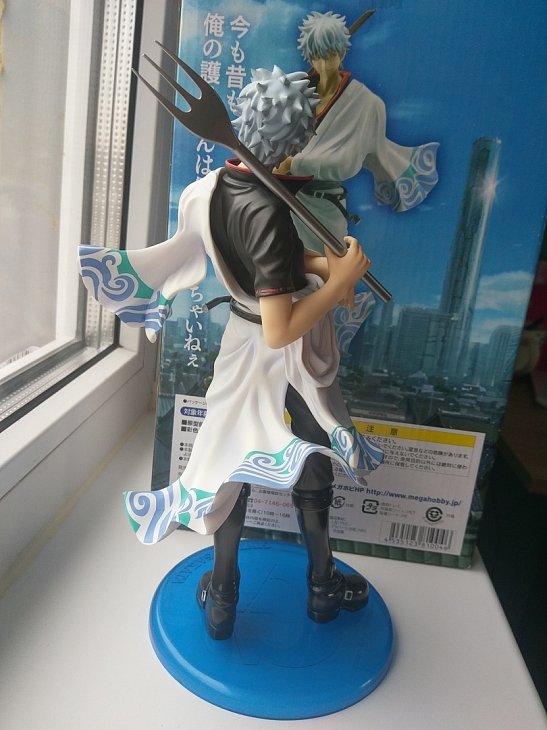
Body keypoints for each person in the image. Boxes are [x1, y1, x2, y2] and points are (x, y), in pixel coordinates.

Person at [79, 66, 383, 640]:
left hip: (240, 347)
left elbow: (265, 261)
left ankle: (224, 597)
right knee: (302, 456)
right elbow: (280, 326)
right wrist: (338, 284)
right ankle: (319, 586)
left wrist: (324, 265)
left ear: (244, 121)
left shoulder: (210, 189)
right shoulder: (269, 211)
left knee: (228, 461)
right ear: (299, 139)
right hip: (284, 351)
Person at [275, 10, 440, 254]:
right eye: (317, 57)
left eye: (330, 55)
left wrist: (294, 163)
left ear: (342, 52)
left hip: (324, 206)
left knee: (330, 269)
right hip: (284, 198)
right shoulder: (300, 94)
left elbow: (347, 162)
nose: (324, 65)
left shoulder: (365, 102)